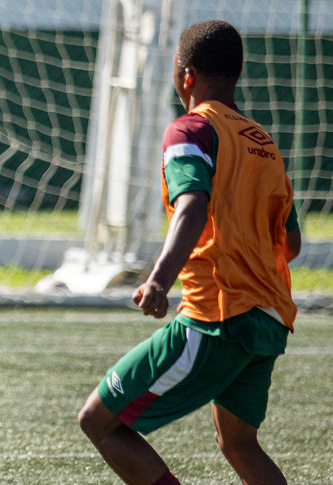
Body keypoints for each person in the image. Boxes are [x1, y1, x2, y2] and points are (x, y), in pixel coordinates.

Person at [77, 20, 300, 485]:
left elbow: (192, 206)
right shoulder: (264, 144)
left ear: (185, 75)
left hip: (218, 318)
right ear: (237, 75)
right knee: (238, 444)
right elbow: (291, 243)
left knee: (99, 421)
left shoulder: (191, 129)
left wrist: (158, 280)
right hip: (269, 319)